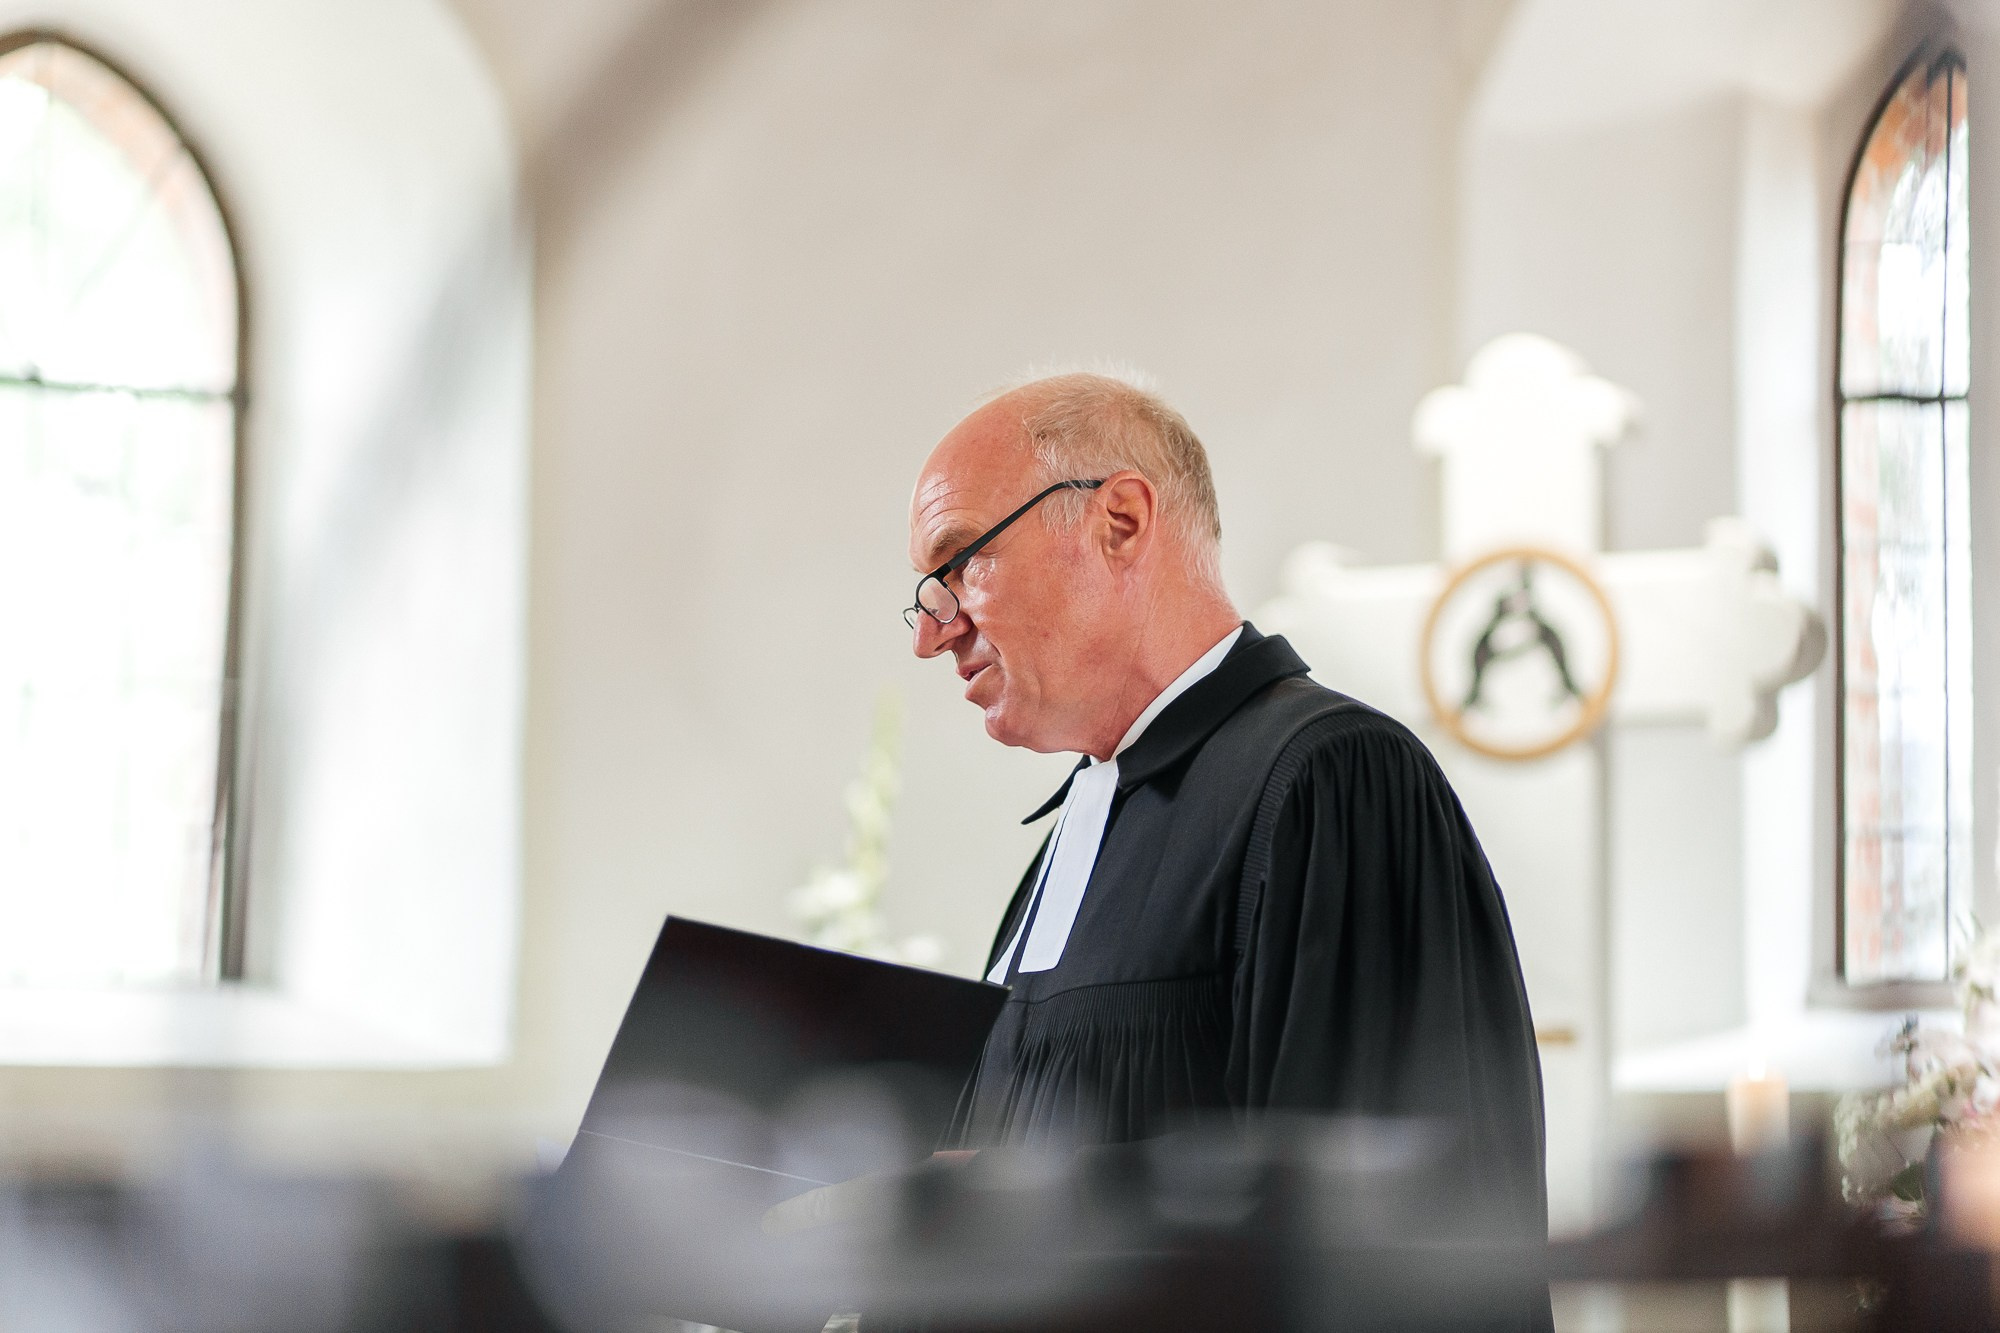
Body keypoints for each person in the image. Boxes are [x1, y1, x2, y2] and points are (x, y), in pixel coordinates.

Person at [904, 371, 1550, 1324]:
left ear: (1120, 520)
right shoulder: (1078, 825)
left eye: (960, 564)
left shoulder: (1332, 780)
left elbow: (1381, 1230)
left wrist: (1030, 1200)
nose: (931, 632)